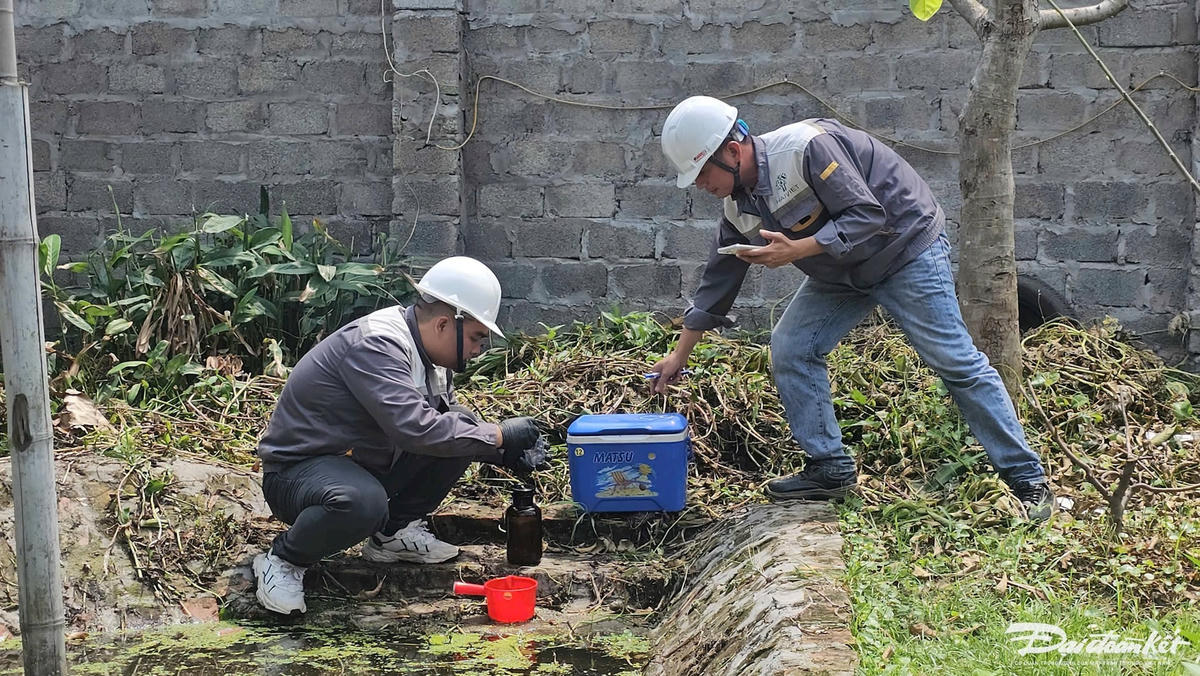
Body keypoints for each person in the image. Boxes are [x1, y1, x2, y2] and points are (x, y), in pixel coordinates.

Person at [648, 96, 1055, 522]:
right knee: (791, 346)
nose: (699, 186)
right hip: (842, 271)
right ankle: (830, 469)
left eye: (701, 172)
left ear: (732, 151)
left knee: (955, 361)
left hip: (904, 248)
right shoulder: (738, 207)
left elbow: (867, 215)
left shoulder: (806, 148)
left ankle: (1028, 480)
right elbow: (718, 282)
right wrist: (679, 355)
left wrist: (797, 250)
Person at [252, 256, 550, 615]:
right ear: (444, 324)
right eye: (476, 337)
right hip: (298, 473)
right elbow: (415, 429)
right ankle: (284, 559)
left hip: (354, 463)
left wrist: (503, 452)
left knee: (461, 422)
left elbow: (448, 426)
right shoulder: (377, 343)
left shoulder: (430, 358)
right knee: (363, 502)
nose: (478, 350)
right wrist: (500, 436)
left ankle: (392, 534)